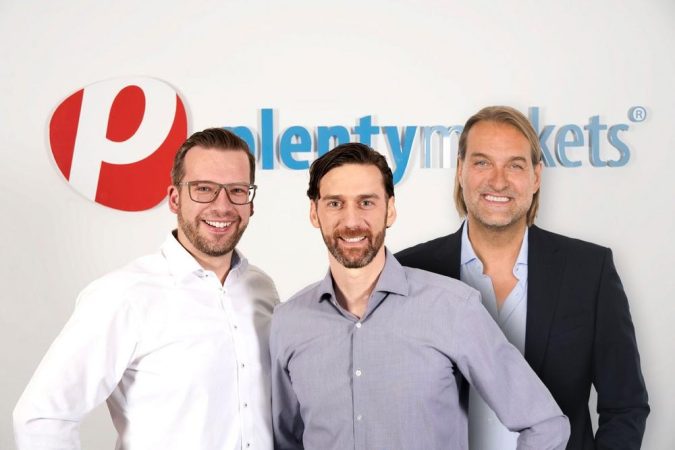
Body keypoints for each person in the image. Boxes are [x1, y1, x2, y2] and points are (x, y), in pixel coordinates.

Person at [270, 142, 570, 450]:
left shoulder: (453, 307)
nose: (351, 221)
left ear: (390, 210)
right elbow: (285, 442)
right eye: (335, 203)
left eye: (366, 202)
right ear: (314, 212)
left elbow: (545, 425)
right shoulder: (288, 322)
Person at [396, 106, 649, 449]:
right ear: (460, 171)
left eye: (515, 165)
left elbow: (625, 406)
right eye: (482, 163)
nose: (498, 181)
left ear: (536, 176)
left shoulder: (589, 271)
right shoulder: (410, 271)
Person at [14, 128, 279, 450]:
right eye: (204, 189)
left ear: (251, 202)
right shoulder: (123, 295)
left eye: (236, 190)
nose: (222, 206)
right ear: (174, 199)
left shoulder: (262, 289)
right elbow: (42, 417)